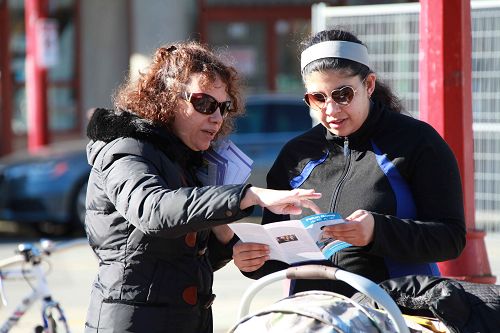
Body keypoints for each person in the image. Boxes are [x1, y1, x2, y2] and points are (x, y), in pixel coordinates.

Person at [83, 41, 321, 333]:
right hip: (132, 322)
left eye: (223, 107)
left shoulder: (185, 156)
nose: (217, 117)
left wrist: (229, 246)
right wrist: (249, 195)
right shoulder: (128, 148)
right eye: (204, 103)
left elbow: (182, 257)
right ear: (167, 98)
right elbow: (153, 210)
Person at [233, 29, 466, 298]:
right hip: (316, 315)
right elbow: (278, 252)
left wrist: (377, 231)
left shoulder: (416, 141)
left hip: (396, 313)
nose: (331, 110)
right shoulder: (296, 154)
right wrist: (252, 260)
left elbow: (451, 238)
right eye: (318, 98)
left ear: (369, 85)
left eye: (342, 94)